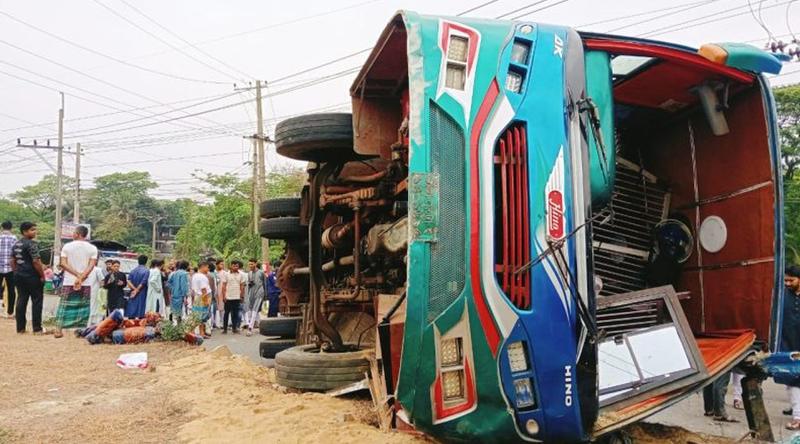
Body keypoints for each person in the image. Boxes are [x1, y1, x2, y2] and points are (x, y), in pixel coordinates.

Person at [55, 225, 98, 338]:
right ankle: (79, 330)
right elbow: (91, 266)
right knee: (83, 307)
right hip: (86, 282)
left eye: (74, 232)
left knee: (64, 306)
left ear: (78, 234)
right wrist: (81, 277)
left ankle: (58, 330)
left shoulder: (67, 246)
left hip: (69, 280)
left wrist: (76, 276)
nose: (72, 234)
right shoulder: (92, 248)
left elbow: (63, 263)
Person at [10, 222, 44, 334]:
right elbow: (36, 261)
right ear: (24, 231)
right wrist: (42, 275)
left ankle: (20, 329)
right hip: (32, 276)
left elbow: (12, 261)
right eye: (32, 230)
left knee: (21, 300)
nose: (35, 232)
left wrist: (16, 272)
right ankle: (37, 328)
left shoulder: (16, 244)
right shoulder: (32, 244)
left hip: (19, 275)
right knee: (37, 301)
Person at [779, 265, 800, 430]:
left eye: (790, 280)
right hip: (789, 346)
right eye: (785, 280)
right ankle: (798, 417)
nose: (787, 283)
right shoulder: (781, 296)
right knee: (792, 380)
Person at [221, 259, 245, 334]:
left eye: (236, 266)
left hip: (237, 297)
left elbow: (242, 286)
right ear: (231, 266)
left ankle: (234, 328)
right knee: (226, 313)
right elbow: (223, 286)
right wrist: (224, 296)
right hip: (228, 297)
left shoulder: (241, 275)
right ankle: (225, 329)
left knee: (235, 313)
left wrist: (242, 296)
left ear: (238, 266)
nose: (235, 267)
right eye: (233, 265)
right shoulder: (226, 274)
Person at [243, 259, 265, 336]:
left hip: (259, 292)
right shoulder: (249, 273)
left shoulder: (261, 272)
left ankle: (250, 328)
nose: (250, 266)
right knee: (251, 310)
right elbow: (249, 285)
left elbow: (265, 284)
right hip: (251, 293)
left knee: (255, 310)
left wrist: (266, 295)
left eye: (252, 264)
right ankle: (258, 325)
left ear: (255, 264)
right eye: (249, 264)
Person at [191, 261, 212, 339]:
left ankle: (202, 333)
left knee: (201, 317)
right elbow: (204, 290)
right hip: (202, 298)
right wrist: (205, 301)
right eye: (207, 267)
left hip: (198, 297)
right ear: (203, 267)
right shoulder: (202, 277)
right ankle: (191, 332)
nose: (208, 269)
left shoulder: (195, 275)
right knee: (200, 316)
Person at [0, 221, 17, 317]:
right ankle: (10, 312)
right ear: (11, 228)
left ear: (2, 228)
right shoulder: (14, 238)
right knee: (11, 290)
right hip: (11, 268)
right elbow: (16, 253)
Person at [213, 259, 227, 328]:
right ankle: (214, 323)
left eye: (223, 264)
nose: (222, 265)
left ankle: (222, 323)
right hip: (215, 293)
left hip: (221, 292)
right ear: (217, 264)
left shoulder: (224, 273)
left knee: (222, 308)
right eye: (221, 264)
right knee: (214, 308)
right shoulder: (214, 272)